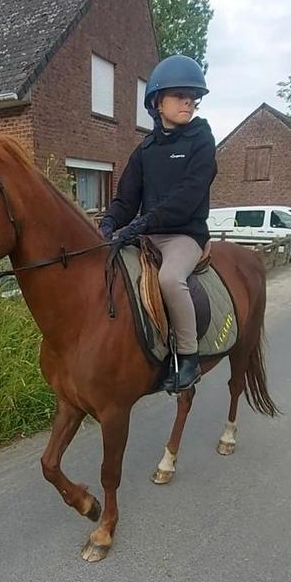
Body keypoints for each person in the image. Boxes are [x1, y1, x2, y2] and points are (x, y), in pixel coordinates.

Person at [99, 55, 217, 392]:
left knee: (169, 279)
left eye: (191, 96)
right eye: (179, 95)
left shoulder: (201, 140)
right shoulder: (144, 150)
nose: (188, 102)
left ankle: (189, 357)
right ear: (157, 102)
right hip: (148, 235)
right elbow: (126, 200)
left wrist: (145, 222)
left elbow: (189, 195)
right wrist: (110, 223)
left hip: (185, 235)